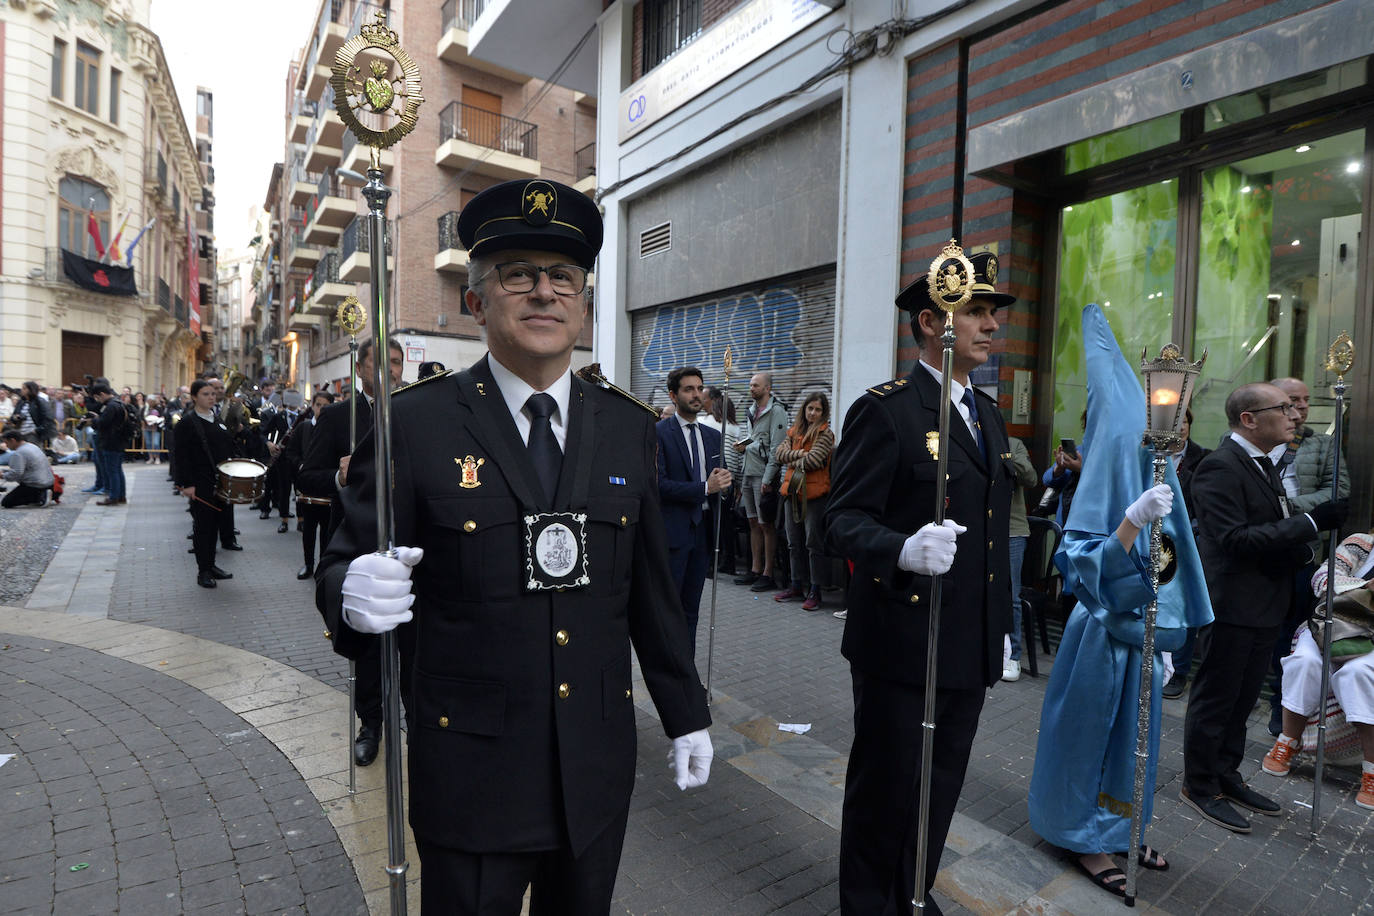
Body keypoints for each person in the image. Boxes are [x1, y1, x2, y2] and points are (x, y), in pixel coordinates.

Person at [317, 178, 713, 913]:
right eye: (518, 275)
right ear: (476, 302)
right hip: (472, 776)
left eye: (562, 276)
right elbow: (344, 558)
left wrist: (685, 709)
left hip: (592, 770)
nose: (543, 292)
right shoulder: (416, 424)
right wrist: (350, 593)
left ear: (584, 303)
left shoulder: (629, 426)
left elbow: (651, 592)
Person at [825, 246, 1014, 915]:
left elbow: (992, 536)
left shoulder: (985, 415)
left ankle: (913, 888)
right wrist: (902, 547)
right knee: (886, 789)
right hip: (904, 640)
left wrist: (1004, 629)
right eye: (978, 313)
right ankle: (869, 904)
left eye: (994, 314)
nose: (991, 327)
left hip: (967, 642)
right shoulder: (889, 410)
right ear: (933, 324)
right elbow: (841, 520)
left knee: (940, 786)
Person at [1027, 304, 1214, 897]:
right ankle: (1081, 837)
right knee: (1090, 739)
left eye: (1182, 414)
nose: (1175, 425)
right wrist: (1131, 522)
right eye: (1167, 414)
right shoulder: (1113, 474)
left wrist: (1168, 636)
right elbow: (1083, 565)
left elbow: (1174, 570)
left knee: (1138, 742)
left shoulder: (1165, 478)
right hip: (1101, 637)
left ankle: (1122, 829)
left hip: (1142, 639)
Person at [1181, 382, 1349, 833]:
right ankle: (1198, 784)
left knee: (1243, 699)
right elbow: (1233, 539)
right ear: (1249, 419)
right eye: (1282, 408)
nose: (1295, 415)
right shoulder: (1220, 467)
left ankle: (1226, 774)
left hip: (1266, 602)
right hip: (1232, 603)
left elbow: (1270, 524)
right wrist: (1309, 523)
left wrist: (1302, 549)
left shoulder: (1263, 464)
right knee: (1217, 699)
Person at [299, 336, 404, 768]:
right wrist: (341, 477)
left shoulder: (416, 412)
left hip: (411, 539)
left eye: (397, 363)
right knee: (371, 643)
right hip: (359, 542)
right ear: (360, 369)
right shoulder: (340, 416)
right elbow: (307, 478)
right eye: (381, 363)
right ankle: (372, 723)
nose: (391, 371)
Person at [1262, 528, 1374, 810]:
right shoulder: (1361, 544)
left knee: (1357, 673)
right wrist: (1364, 590)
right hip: (1330, 629)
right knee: (1305, 661)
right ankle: (1288, 741)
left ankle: (1372, 771)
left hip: (1371, 640)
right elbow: (1322, 577)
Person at [1265, 376, 1352, 734]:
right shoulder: (1249, 444)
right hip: (1257, 549)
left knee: (1291, 631)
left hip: (1301, 551)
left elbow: (1338, 495)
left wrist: (1283, 507)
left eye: (1305, 400)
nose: (1301, 407)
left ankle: (1279, 706)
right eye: (1292, 400)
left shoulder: (1323, 445)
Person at [657, 366, 733, 656]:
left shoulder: (713, 436)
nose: (696, 394)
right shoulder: (659, 433)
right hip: (674, 533)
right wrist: (705, 488)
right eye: (688, 389)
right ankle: (668, 669)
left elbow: (719, 481)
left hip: (704, 533)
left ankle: (686, 670)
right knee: (671, 609)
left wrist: (725, 484)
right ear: (673, 396)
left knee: (692, 609)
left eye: (699, 388)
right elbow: (659, 485)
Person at [1162, 407, 1210, 699]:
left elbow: (1204, 506)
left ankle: (1179, 671)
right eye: (1175, 423)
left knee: (1182, 604)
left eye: (1186, 422)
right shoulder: (1150, 455)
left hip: (1190, 542)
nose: (1181, 428)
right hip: (1154, 540)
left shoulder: (1204, 458)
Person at [773, 391, 835, 611]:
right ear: (804, 409)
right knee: (793, 543)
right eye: (810, 408)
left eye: (817, 409)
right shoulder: (794, 430)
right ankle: (796, 585)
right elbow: (778, 454)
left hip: (815, 497)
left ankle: (815, 590)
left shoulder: (826, 434)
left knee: (813, 544)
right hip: (792, 493)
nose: (813, 413)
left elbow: (814, 460)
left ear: (823, 412)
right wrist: (799, 455)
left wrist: (794, 455)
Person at [172, 380, 236, 588]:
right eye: (205, 394)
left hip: (220, 481)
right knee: (203, 528)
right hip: (200, 482)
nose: (211, 397)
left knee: (216, 525)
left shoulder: (216, 419)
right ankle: (203, 571)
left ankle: (212, 565)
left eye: (212, 394)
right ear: (194, 397)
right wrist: (186, 484)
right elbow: (179, 456)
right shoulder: (187, 423)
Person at [733, 372, 790, 592]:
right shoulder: (751, 410)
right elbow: (755, 442)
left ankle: (768, 573)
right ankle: (755, 569)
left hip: (764, 475)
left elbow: (776, 449)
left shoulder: (777, 412)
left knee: (767, 524)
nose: (751, 388)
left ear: (767, 388)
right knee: (752, 522)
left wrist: (768, 478)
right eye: (750, 385)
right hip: (749, 471)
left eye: (756, 385)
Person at [285, 390, 334, 580]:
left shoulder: (333, 428)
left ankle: (323, 563)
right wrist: (301, 465)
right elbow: (291, 452)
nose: (321, 409)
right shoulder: (303, 428)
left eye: (325, 405)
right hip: (307, 485)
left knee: (327, 529)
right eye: (318, 405)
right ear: (312, 406)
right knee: (309, 528)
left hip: (327, 485)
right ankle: (308, 564)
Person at [1003, 435, 1039, 681]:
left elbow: (1031, 478)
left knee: (1011, 595)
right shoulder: (973, 438)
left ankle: (1013, 656)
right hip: (979, 528)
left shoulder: (1013, 444)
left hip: (1012, 531)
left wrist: (1006, 454)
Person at [700, 386, 742, 576]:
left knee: (710, 523)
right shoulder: (736, 427)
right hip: (729, 480)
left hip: (712, 478)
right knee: (725, 523)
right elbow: (739, 457)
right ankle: (729, 562)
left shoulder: (704, 422)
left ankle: (709, 564)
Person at [90, 385, 128, 506]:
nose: (98, 400)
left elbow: (103, 423)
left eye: (97, 397)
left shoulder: (111, 406)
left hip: (111, 441)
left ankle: (113, 497)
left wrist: (95, 420)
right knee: (117, 469)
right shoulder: (119, 402)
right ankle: (121, 495)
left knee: (112, 470)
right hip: (119, 440)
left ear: (102, 394)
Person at [1, 429, 54, 507]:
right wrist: (5, 471)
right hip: (49, 482)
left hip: (36, 485)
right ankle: (47, 494)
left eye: (6, 442)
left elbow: (16, 473)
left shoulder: (19, 453)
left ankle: (40, 497)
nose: (6, 446)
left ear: (13, 440)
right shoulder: (32, 446)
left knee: (7, 502)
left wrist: (2, 475)